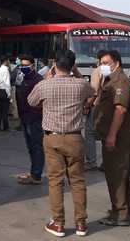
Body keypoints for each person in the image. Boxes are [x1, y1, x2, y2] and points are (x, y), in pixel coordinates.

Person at [28, 50, 95, 237]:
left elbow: (31, 102)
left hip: (53, 138)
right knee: (78, 181)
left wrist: (49, 77)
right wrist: (77, 73)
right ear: (73, 65)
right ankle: (81, 223)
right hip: (75, 138)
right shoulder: (81, 84)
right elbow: (93, 93)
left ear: (55, 64)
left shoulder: (45, 85)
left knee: (56, 181)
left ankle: (58, 223)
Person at [94, 50, 130, 227]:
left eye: (105, 62)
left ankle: (120, 214)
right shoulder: (109, 79)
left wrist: (112, 136)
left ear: (117, 63)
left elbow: (120, 110)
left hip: (119, 136)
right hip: (115, 134)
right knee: (116, 172)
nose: (102, 66)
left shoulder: (120, 81)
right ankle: (119, 209)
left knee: (117, 173)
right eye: (100, 63)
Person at [15, 55, 45, 185]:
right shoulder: (21, 77)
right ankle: (33, 172)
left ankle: (37, 174)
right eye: (22, 65)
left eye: (26, 65)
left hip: (34, 118)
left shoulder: (38, 80)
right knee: (30, 147)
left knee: (36, 146)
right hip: (24, 117)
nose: (23, 68)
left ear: (33, 66)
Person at [86, 50, 108, 171]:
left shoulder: (97, 71)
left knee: (89, 132)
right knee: (105, 133)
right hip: (107, 106)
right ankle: (107, 162)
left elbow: (94, 91)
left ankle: (91, 161)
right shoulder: (108, 71)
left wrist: (88, 105)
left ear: (98, 60)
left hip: (96, 105)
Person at [0, 56, 11, 131]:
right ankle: (5, 126)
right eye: (8, 61)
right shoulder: (6, 70)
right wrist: (9, 94)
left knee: (0, 110)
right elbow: (7, 83)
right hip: (4, 91)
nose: (9, 62)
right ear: (6, 61)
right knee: (5, 110)